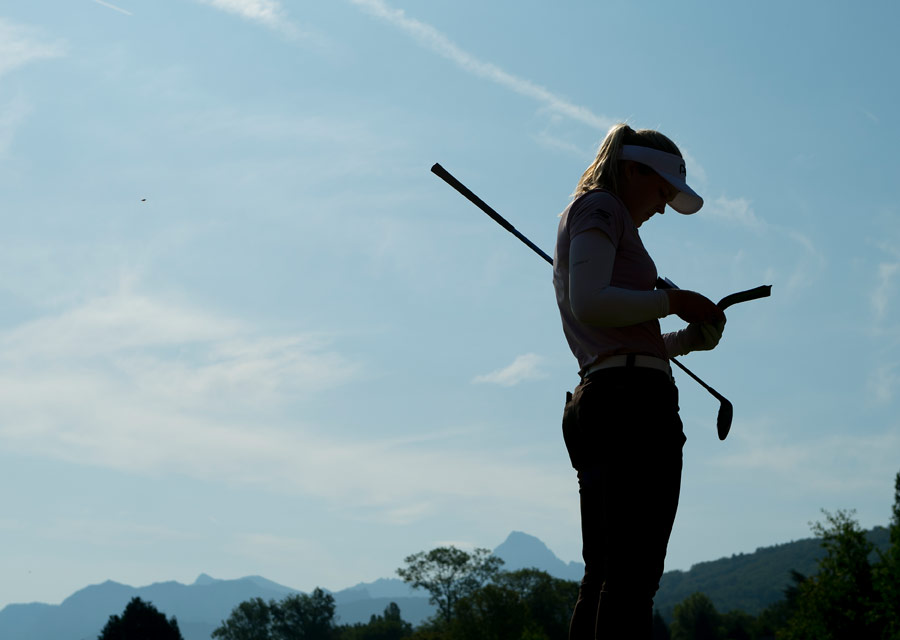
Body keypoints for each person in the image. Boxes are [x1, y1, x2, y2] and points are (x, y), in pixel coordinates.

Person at [553, 123, 727, 639]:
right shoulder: (603, 208)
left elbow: (619, 336)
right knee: (631, 581)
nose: (662, 207)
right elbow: (590, 302)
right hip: (632, 407)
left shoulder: (590, 212)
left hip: (603, 397)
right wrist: (674, 300)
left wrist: (685, 340)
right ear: (632, 170)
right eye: (661, 191)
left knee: (605, 575)